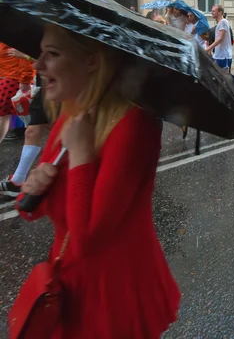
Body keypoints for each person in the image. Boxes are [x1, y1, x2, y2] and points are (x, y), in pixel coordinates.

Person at [14, 24, 181, 337]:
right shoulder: (71, 115)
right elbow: (31, 209)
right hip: (68, 283)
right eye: (41, 53)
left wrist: (80, 154)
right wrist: (33, 188)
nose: (38, 65)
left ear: (91, 61)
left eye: (52, 54)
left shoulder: (134, 126)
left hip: (113, 294)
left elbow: (87, 240)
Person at [0, 49, 48, 197]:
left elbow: (55, 60)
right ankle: (18, 181)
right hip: (44, 86)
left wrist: (26, 57)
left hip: (61, 85)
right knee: (32, 131)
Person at [0, 42, 34, 144]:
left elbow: (25, 60)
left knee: (3, 115)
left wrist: (25, 80)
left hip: (12, 78)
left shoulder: (14, 35)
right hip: (6, 76)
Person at [205, 4, 233, 70]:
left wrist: (208, 48)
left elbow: (220, 39)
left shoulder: (223, 22)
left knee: (223, 78)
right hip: (218, 56)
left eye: (214, 11)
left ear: (220, 12)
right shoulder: (220, 23)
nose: (212, 13)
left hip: (223, 56)